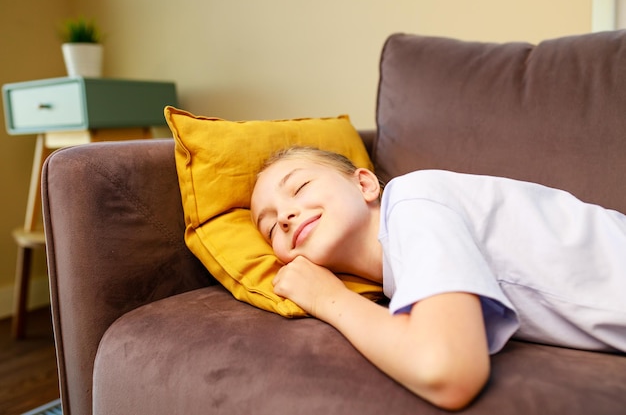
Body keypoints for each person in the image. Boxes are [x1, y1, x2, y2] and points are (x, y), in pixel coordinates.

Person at [250, 146, 626, 410]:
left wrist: (326, 298)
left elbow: (447, 370)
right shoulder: (398, 274)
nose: (284, 216)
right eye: (270, 229)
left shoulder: (414, 201)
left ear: (364, 184)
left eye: (299, 188)